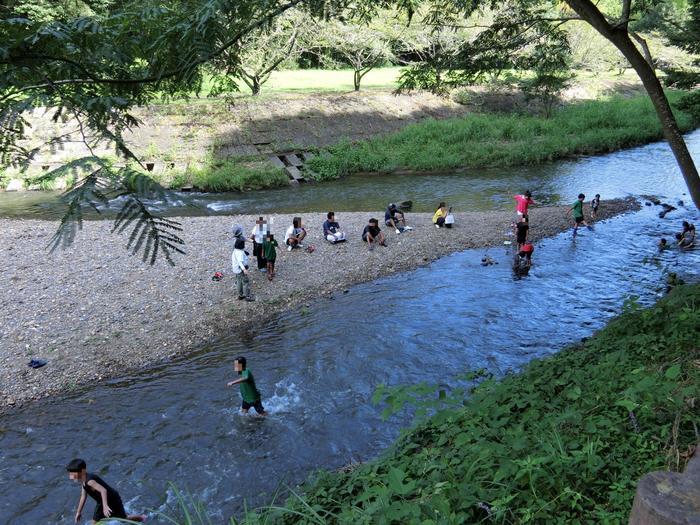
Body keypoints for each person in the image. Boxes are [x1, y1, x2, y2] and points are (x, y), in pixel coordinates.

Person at [66, 458, 146, 524]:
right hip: (102, 501)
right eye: (70, 473)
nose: (71, 476)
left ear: (82, 471)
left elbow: (103, 490)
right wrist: (78, 512)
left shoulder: (89, 481)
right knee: (96, 521)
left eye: (73, 473)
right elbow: (83, 496)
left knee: (123, 518)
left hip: (112, 499)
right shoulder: (83, 481)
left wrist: (105, 506)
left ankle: (142, 518)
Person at [232, 224, 254, 302]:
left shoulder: (236, 249)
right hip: (240, 269)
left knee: (239, 281)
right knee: (245, 282)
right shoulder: (240, 253)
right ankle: (247, 296)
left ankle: (240, 295)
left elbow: (244, 239)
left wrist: (252, 241)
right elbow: (240, 262)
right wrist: (244, 269)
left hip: (236, 269)